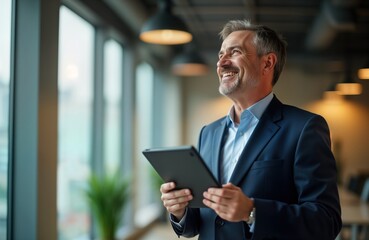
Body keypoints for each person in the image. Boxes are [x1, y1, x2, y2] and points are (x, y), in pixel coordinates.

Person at [160, 19, 342, 240]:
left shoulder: (305, 128)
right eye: (220, 55)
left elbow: (326, 222)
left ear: (267, 63)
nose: (222, 62)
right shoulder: (208, 133)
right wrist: (179, 211)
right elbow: (198, 224)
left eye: (234, 52)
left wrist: (252, 212)